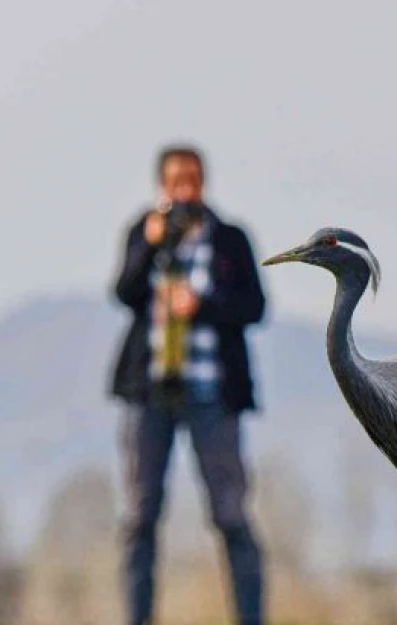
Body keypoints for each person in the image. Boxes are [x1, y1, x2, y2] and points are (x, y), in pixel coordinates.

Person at [109, 144, 267, 625]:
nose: (185, 190)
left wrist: (201, 305)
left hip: (212, 393)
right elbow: (123, 293)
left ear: (204, 182)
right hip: (150, 392)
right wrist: (152, 244)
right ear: (161, 185)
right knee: (139, 518)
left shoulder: (231, 239)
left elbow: (254, 309)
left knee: (231, 515)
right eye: (176, 181)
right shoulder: (144, 232)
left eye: (193, 180)